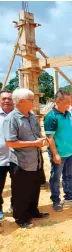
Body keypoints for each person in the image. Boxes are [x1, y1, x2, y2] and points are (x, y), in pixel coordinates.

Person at [4, 88, 49, 228]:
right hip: (21, 162)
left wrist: (42, 139)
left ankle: (33, 211)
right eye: (31, 99)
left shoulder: (31, 116)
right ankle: (21, 218)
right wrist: (34, 143)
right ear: (22, 102)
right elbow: (10, 142)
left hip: (35, 160)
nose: (34, 101)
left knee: (34, 188)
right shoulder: (11, 119)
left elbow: (36, 134)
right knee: (21, 192)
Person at [44, 90, 72, 212]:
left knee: (68, 175)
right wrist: (55, 154)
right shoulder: (51, 117)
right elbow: (49, 138)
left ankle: (69, 195)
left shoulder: (68, 113)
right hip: (59, 153)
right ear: (58, 101)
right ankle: (56, 199)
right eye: (67, 102)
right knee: (56, 177)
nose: (69, 104)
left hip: (70, 151)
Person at [0, 90, 14, 221]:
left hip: (17, 158)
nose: (7, 101)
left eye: (9, 98)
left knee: (18, 185)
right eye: (4, 98)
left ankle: (15, 206)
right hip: (0, 158)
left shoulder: (19, 115)